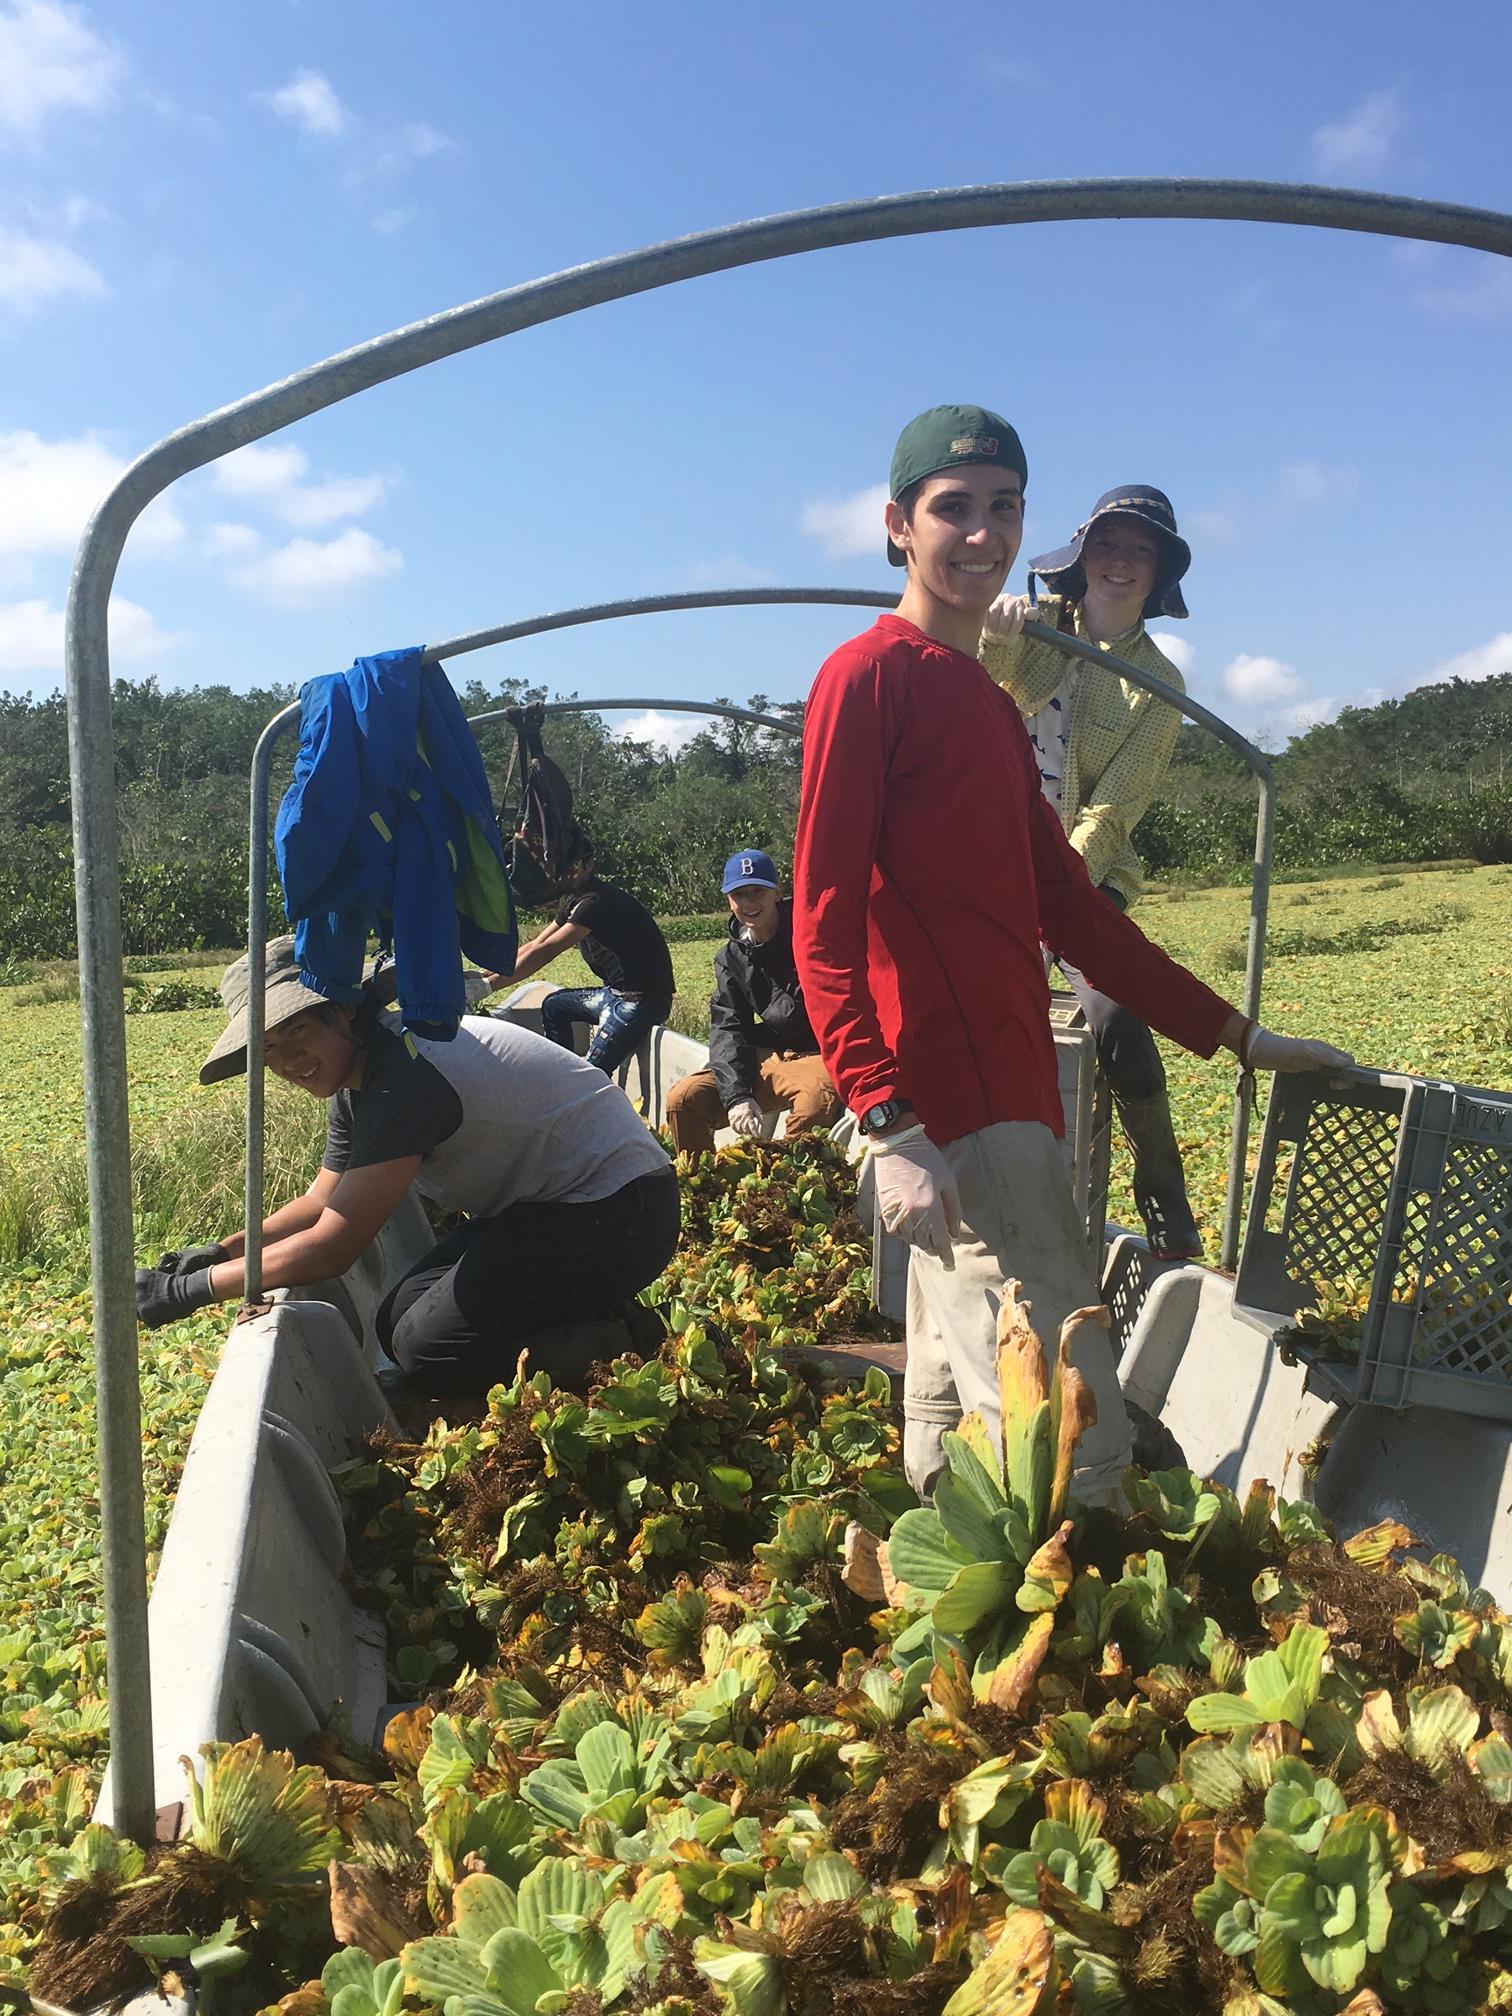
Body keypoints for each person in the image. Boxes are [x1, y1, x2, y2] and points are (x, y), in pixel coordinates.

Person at [791, 405, 1353, 1505]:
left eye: (1005, 507)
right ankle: (1069, 1589)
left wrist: (1237, 1035)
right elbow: (822, 920)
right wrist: (885, 1117)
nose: (984, 534)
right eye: (954, 508)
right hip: (953, 1111)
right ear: (898, 525)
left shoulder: (993, 708)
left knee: (955, 1419)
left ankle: (946, 1573)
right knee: (1075, 1440)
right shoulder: (869, 676)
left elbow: (1078, 917)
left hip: (1014, 1088)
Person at [134, 937, 680, 1394]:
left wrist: (192, 1290)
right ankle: (589, 1318)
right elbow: (321, 1201)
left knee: (428, 1349)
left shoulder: (404, 1075)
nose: (289, 1061)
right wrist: (221, 1251)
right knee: (397, 1321)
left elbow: (334, 1245)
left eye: (297, 1030)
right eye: (269, 1048)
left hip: (623, 1211)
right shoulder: (364, 1076)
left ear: (343, 1009)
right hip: (549, 1210)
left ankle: (625, 1342)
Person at [979, 486, 1204, 1258]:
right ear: (1081, 557)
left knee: (1115, 1014)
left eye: (1141, 551)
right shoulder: (1034, 624)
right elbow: (983, 694)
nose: (1121, 563)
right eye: (1108, 545)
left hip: (1082, 871)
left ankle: (1164, 1198)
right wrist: (995, 633)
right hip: (993, 856)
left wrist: (1054, 896)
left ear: (1159, 572)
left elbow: (1114, 808)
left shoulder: (1159, 683)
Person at [664, 848, 841, 1153]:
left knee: (814, 1103)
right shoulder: (731, 957)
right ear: (728, 901)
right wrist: (737, 1096)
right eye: (739, 895)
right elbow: (728, 1026)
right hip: (770, 1054)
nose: (748, 903)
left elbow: (801, 1010)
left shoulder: (811, 935)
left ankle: (783, 1178)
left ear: (777, 892)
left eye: (758, 891)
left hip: (819, 1053)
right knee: (683, 1100)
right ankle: (703, 1179)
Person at [483, 843, 675, 1077]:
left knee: (589, 1075)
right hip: (612, 994)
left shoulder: (596, 901)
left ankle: (573, 1082)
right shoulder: (574, 901)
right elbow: (536, 944)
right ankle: (560, 1070)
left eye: (573, 866)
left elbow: (548, 950)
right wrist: (488, 973)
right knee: (554, 1006)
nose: (567, 873)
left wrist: (488, 988)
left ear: (588, 865)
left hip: (643, 1003)